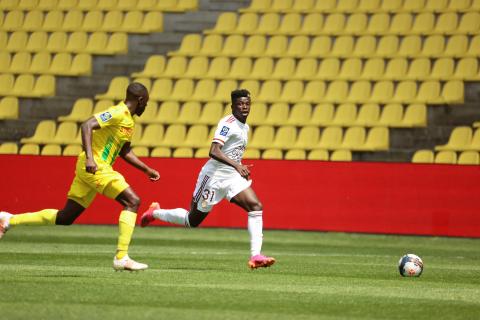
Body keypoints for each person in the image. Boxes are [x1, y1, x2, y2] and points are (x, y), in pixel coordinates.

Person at [0, 82, 160, 271]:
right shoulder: (118, 112)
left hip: (92, 168)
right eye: (146, 103)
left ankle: (8, 219)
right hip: (96, 166)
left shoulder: (129, 121)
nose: (146, 107)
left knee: (66, 217)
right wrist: (91, 158)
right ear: (140, 100)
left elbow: (124, 150)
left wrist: (146, 170)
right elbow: (87, 125)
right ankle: (121, 256)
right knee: (133, 201)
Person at [140, 89, 275, 269]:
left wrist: (237, 167)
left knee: (255, 206)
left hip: (231, 178)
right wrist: (237, 165)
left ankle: (256, 256)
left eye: (247, 103)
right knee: (192, 220)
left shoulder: (245, 126)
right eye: (240, 104)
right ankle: (154, 212)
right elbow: (213, 151)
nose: (244, 107)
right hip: (213, 178)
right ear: (232, 106)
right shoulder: (227, 124)